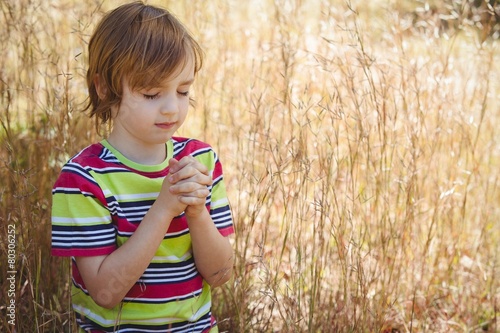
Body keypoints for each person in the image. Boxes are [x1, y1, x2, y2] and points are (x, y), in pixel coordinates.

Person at [51, 2, 234, 332]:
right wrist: (164, 209)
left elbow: (221, 275)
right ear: (104, 87)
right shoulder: (83, 179)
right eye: (151, 93)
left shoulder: (202, 161)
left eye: (183, 91)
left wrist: (196, 213)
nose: (171, 108)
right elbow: (105, 293)